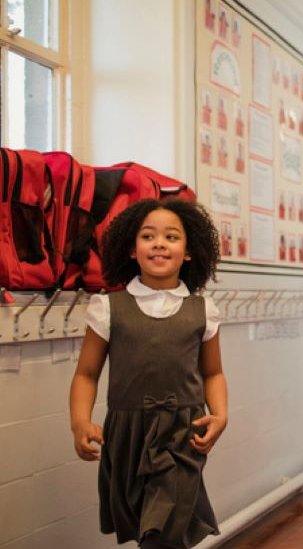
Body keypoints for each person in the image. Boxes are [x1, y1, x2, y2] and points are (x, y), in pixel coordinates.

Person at [69, 199, 225, 549]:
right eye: (148, 236)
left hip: (182, 434)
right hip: (126, 433)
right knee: (146, 527)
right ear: (131, 248)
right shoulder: (108, 308)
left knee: (164, 531)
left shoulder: (203, 310)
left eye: (171, 237)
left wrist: (221, 414)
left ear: (188, 252)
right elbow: (87, 374)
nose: (159, 243)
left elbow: (213, 373)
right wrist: (80, 421)